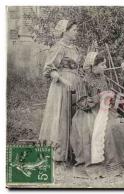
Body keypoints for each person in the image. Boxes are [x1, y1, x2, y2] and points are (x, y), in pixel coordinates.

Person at [70, 51, 124, 177]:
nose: (105, 67)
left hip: (105, 110)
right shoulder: (83, 80)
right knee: (107, 129)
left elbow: (109, 96)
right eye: (102, 65)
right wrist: (99, 96)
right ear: (93, 66)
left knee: (123, 125)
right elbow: (82, 103)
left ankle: (119, 163)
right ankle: (103, 165)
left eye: (105, 64)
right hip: (88, 113)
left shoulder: (104, 78)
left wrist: (112, 98)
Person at [39, 20, 86, 162]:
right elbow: (48, 69)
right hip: (61, 87)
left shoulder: (75, 49)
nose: (76, 32)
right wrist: (63, 80)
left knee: (74, 116)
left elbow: (78, 68)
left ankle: (72, 154)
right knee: (61, 117)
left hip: (75, 85)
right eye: (74, 30)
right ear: (65, 31)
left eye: (77, 29)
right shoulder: (59, 47)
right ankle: (59, 154)